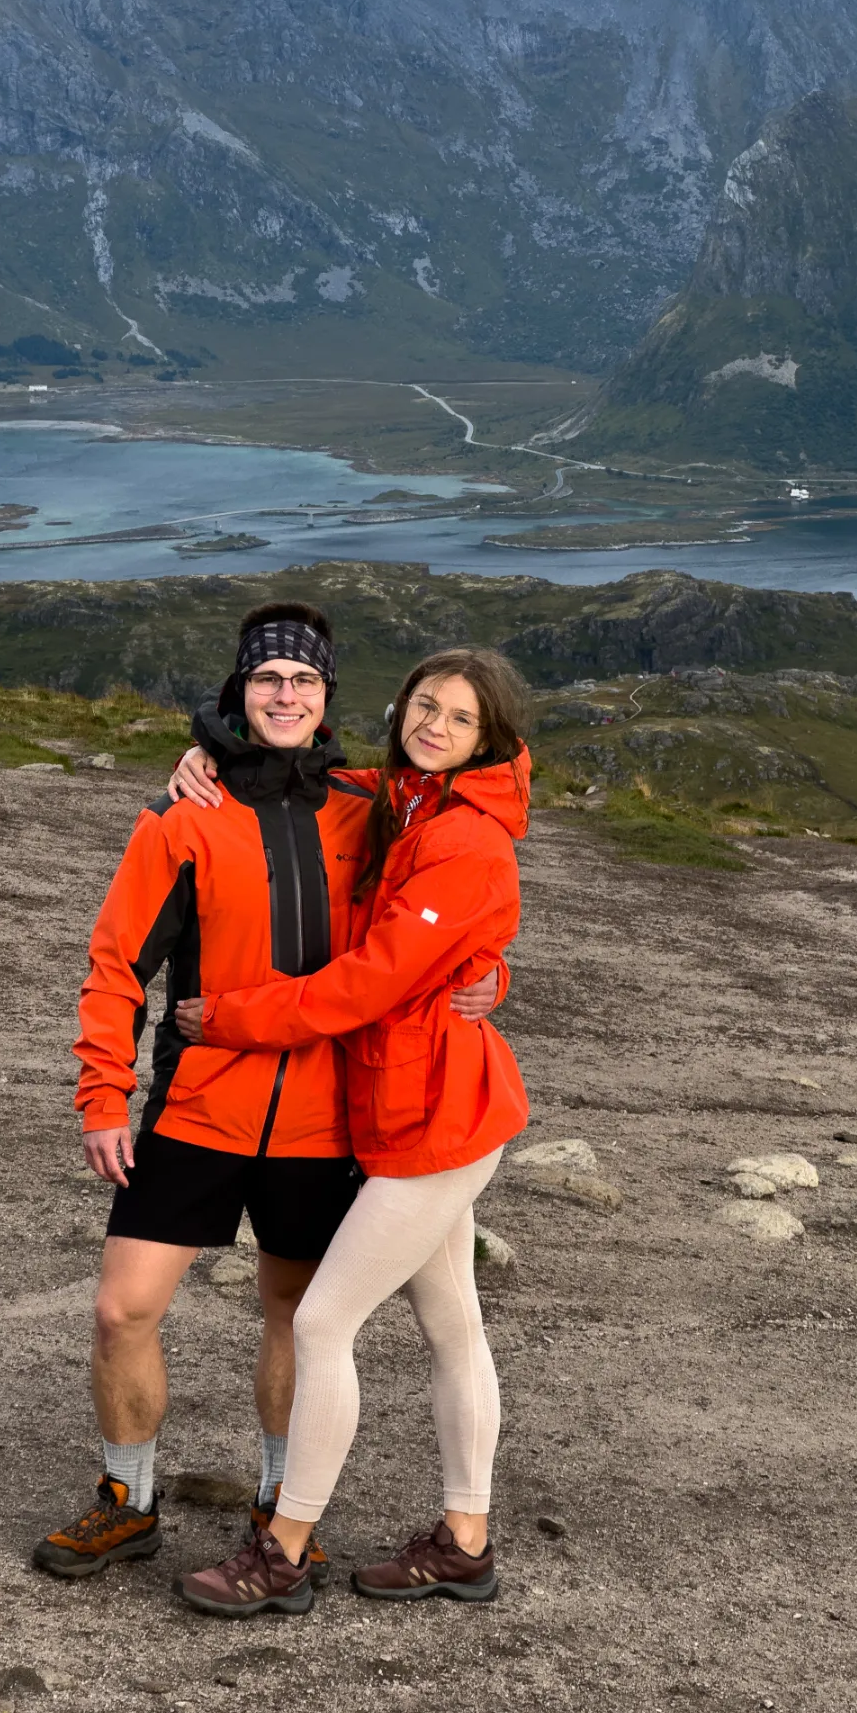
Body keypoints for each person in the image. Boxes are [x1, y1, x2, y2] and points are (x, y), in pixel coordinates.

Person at [31, 604, 498, 1582]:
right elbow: (117, 964)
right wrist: (102, 1095)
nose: (285, 695)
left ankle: (284, 1509)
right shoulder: (181, 814)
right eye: (267, 680)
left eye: (304, 681)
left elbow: (449, 913)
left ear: (328, 700)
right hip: (197, 1106)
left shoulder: (367, 805)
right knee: (123, 1309)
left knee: (296, 1315)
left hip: (326, 1117)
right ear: (239, 693)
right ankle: (128, 1498)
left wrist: (493, 973)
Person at [169, 648, 531, 1618]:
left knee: (324, 1321)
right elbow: (300, 774)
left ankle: (283, 1548)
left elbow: (369, 979)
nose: (434, 725)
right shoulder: (406, 798)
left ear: (488, 738)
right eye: (423, 704)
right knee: (453, 1322)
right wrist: (204, 755)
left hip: (437, 1119)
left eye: (458, 717)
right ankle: (464, 1538)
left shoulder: (464, 841)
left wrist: (234, 1016)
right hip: (419, 1102)